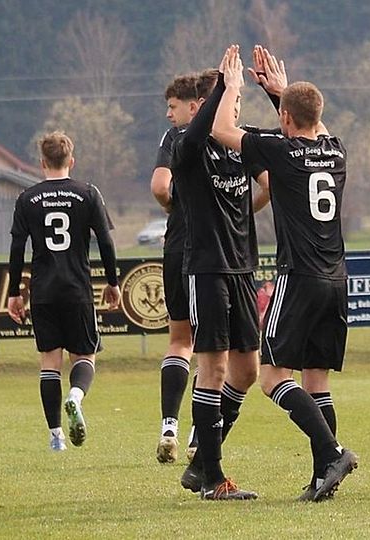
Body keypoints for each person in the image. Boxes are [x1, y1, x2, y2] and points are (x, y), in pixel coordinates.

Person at [213, 44, 358, 502]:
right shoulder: (335, 150)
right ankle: (323, 481)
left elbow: (221, 129)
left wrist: (233, 85)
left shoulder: (281, 149)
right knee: (317, 379)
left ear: (287, 122)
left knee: (273, 377)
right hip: (337, 279)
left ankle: (332, 453)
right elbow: (310, 122)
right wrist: (283, 93)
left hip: (299, 277)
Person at [169, 48, 271, 500]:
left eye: (236, 98)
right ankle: (212, 476)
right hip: (207, 269)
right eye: (229, 99)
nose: (234, 105)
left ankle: (199, 463)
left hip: (241, 268)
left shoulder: (239, 146)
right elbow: (194, 138)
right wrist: (222, 90)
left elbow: (271, 176)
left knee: (246, 370)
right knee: (212, 366)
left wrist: (270, 92)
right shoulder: (186, 146)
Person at [7, 131, 120, 452]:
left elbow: (17, 248)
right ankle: (76, 396)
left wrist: (15, 292)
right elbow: (106, 242)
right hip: (77, 289)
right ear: (71, 160)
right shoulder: (88, 194)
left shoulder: (27, 198)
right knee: (85, 355)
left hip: (42, 291)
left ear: (41, 163)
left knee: (49, 361)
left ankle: (56, 436)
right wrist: (112, 282)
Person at [150, 72, 209, 464]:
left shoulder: (174, 140)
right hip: (213, 252)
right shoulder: (226, 136)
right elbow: (266, 186)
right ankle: (196, 436)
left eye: (173, 106)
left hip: (176, 246)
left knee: (178, 341)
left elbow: (159, 186)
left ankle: (168, 425)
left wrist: (176, 207)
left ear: (193, 106)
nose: (169, 114)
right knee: (211, 348)